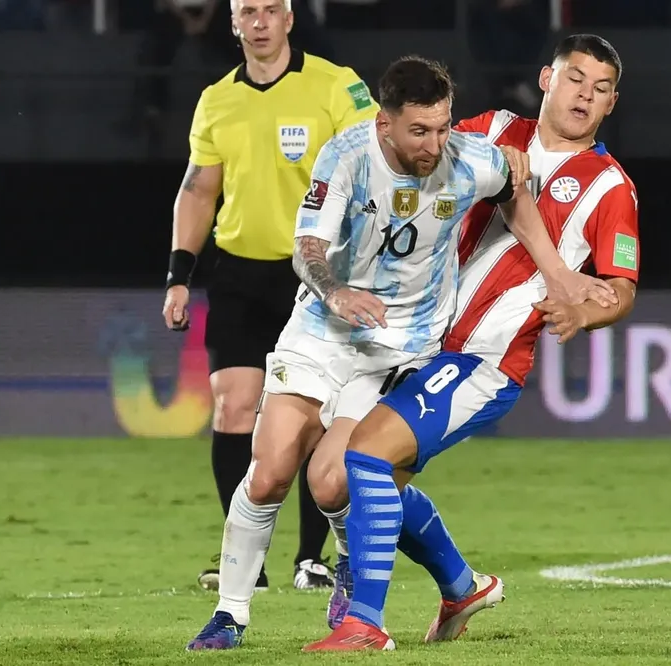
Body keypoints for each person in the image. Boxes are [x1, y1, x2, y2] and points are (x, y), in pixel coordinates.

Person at [185, 54, 614, 652]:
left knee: (332, 480)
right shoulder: (346, 157)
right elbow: (306, 246)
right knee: (271, 471)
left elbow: (514, 195)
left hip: (401, 352)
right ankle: (231, 614)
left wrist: (560, 274)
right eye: (420, 131)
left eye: (443, 127)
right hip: (323, 330)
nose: (435, 144)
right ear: (384, 123)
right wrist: (336, 290)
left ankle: (349, 567)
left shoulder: (468, 161)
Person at [304, 33, 639, 652]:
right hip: (415, 340)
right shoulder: (494, 132)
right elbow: (420, 155)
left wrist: (583, 313)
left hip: (484, 359)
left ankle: (365, 624)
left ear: (611, 104)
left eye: (600, 89)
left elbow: (621, 288)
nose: (584, 96)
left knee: (371, 454)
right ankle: (463, 588)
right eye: (575, 79)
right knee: (330, 480)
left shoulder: (610, 186)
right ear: (547, 79)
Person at [161, 0, 380, 596]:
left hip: (316, 279)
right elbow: (199, 190)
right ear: (233, 22)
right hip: (238, 274)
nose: (259, 21)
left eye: (270, 10)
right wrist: (179, 274)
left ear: (289, 18)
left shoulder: (336, 86)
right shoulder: (217, 99)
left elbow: (377, 168)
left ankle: (310, 558)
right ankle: (244, 561)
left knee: (312, 416)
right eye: (247, 11)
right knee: (233, 407)